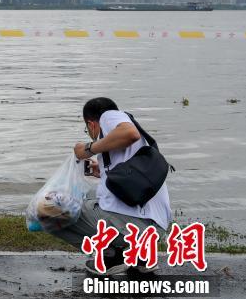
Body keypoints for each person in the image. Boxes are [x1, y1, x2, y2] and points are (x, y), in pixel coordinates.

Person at [48, 97, 172, 276]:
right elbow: (132, 176)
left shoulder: (109, 116)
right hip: (155, 228)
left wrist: (89, 148)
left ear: (91, 124)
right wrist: (103, 170)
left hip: (136, 226)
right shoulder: (137, 146)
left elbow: (129, 133)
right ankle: (139, 256)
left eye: (87, 129)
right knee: (91, 193)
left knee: (50, 209)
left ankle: (112, 256)